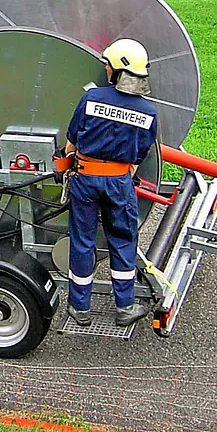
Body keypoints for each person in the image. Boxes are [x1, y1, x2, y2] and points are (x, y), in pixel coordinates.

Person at [64, 38, 158, 328]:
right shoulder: (148, 112)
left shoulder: (91, 99)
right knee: (123, 240)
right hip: (119, 182)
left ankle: (79, 307)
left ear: (117, 71)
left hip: (85, 178)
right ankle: (125, 306)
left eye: (108, 65)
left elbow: (71, 140)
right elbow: (140, 155)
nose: (105, 69)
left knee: (82, 240)